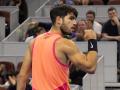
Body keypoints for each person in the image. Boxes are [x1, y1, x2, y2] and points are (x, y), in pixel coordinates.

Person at [17, 5, 98, 90]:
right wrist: (92, 40)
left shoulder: (34, 42)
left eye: (75, 19)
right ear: (59, 20)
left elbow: (22, 76)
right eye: (71, 18)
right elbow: (91, 67)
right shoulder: (65, 43)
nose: (75, 23)